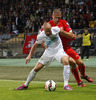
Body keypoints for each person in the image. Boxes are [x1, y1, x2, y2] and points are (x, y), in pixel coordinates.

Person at [40, 9, 93, 86]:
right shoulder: (47, 25)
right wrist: (45, 45)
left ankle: (83, 75)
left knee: (80, 63)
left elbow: (71, 35)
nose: (57, 19)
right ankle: (79, 82)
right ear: (52, 16)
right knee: (73, 63)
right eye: (56, 17)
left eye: (59, 17)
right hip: (58, 50)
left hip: (66, 47)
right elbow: (42, 40)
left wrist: (61, 32)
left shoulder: (64, 23)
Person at [16, 22, 75, 90]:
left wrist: (70, 35)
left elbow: (63, 32)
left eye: (50, 30)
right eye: (47, 31)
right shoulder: (41, 36)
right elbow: (35, 45)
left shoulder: (55, 29)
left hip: (59, 50)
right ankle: (25, 85)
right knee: (36, 68)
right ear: (44, 30)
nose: (49, 32)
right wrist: (29, 56)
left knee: (65, 61)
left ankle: (66, 85)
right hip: (49, 52)